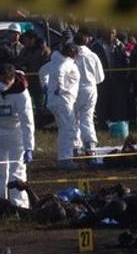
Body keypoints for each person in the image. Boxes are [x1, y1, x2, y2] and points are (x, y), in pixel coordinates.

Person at [0, 63, 35, 208]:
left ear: (12, 79)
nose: (0, 84)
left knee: (17, 169)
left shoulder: (22, 95)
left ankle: (19, 204)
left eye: (4, 81)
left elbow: (27, 121)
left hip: (16, 132)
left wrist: (29, 147)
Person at [39, 41, 80, 170]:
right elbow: (59, 72)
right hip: (63, 100)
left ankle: (68, 155)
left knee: (65, 129)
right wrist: (60, 88)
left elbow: (42, 72)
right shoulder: (66, 62)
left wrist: (46, 86)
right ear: (72, 52)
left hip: (56, 100)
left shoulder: (55, 60)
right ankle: (65, 159)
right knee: (67, 130)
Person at [72, 32, 107, 164]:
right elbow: (100, 78)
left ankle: (75, 149)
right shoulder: (93, 56)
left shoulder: (71, 56)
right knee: (87, 118)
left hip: (74, 89)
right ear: (86, 41)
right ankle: (91, 149)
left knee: (74, 119)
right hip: (91, 89)